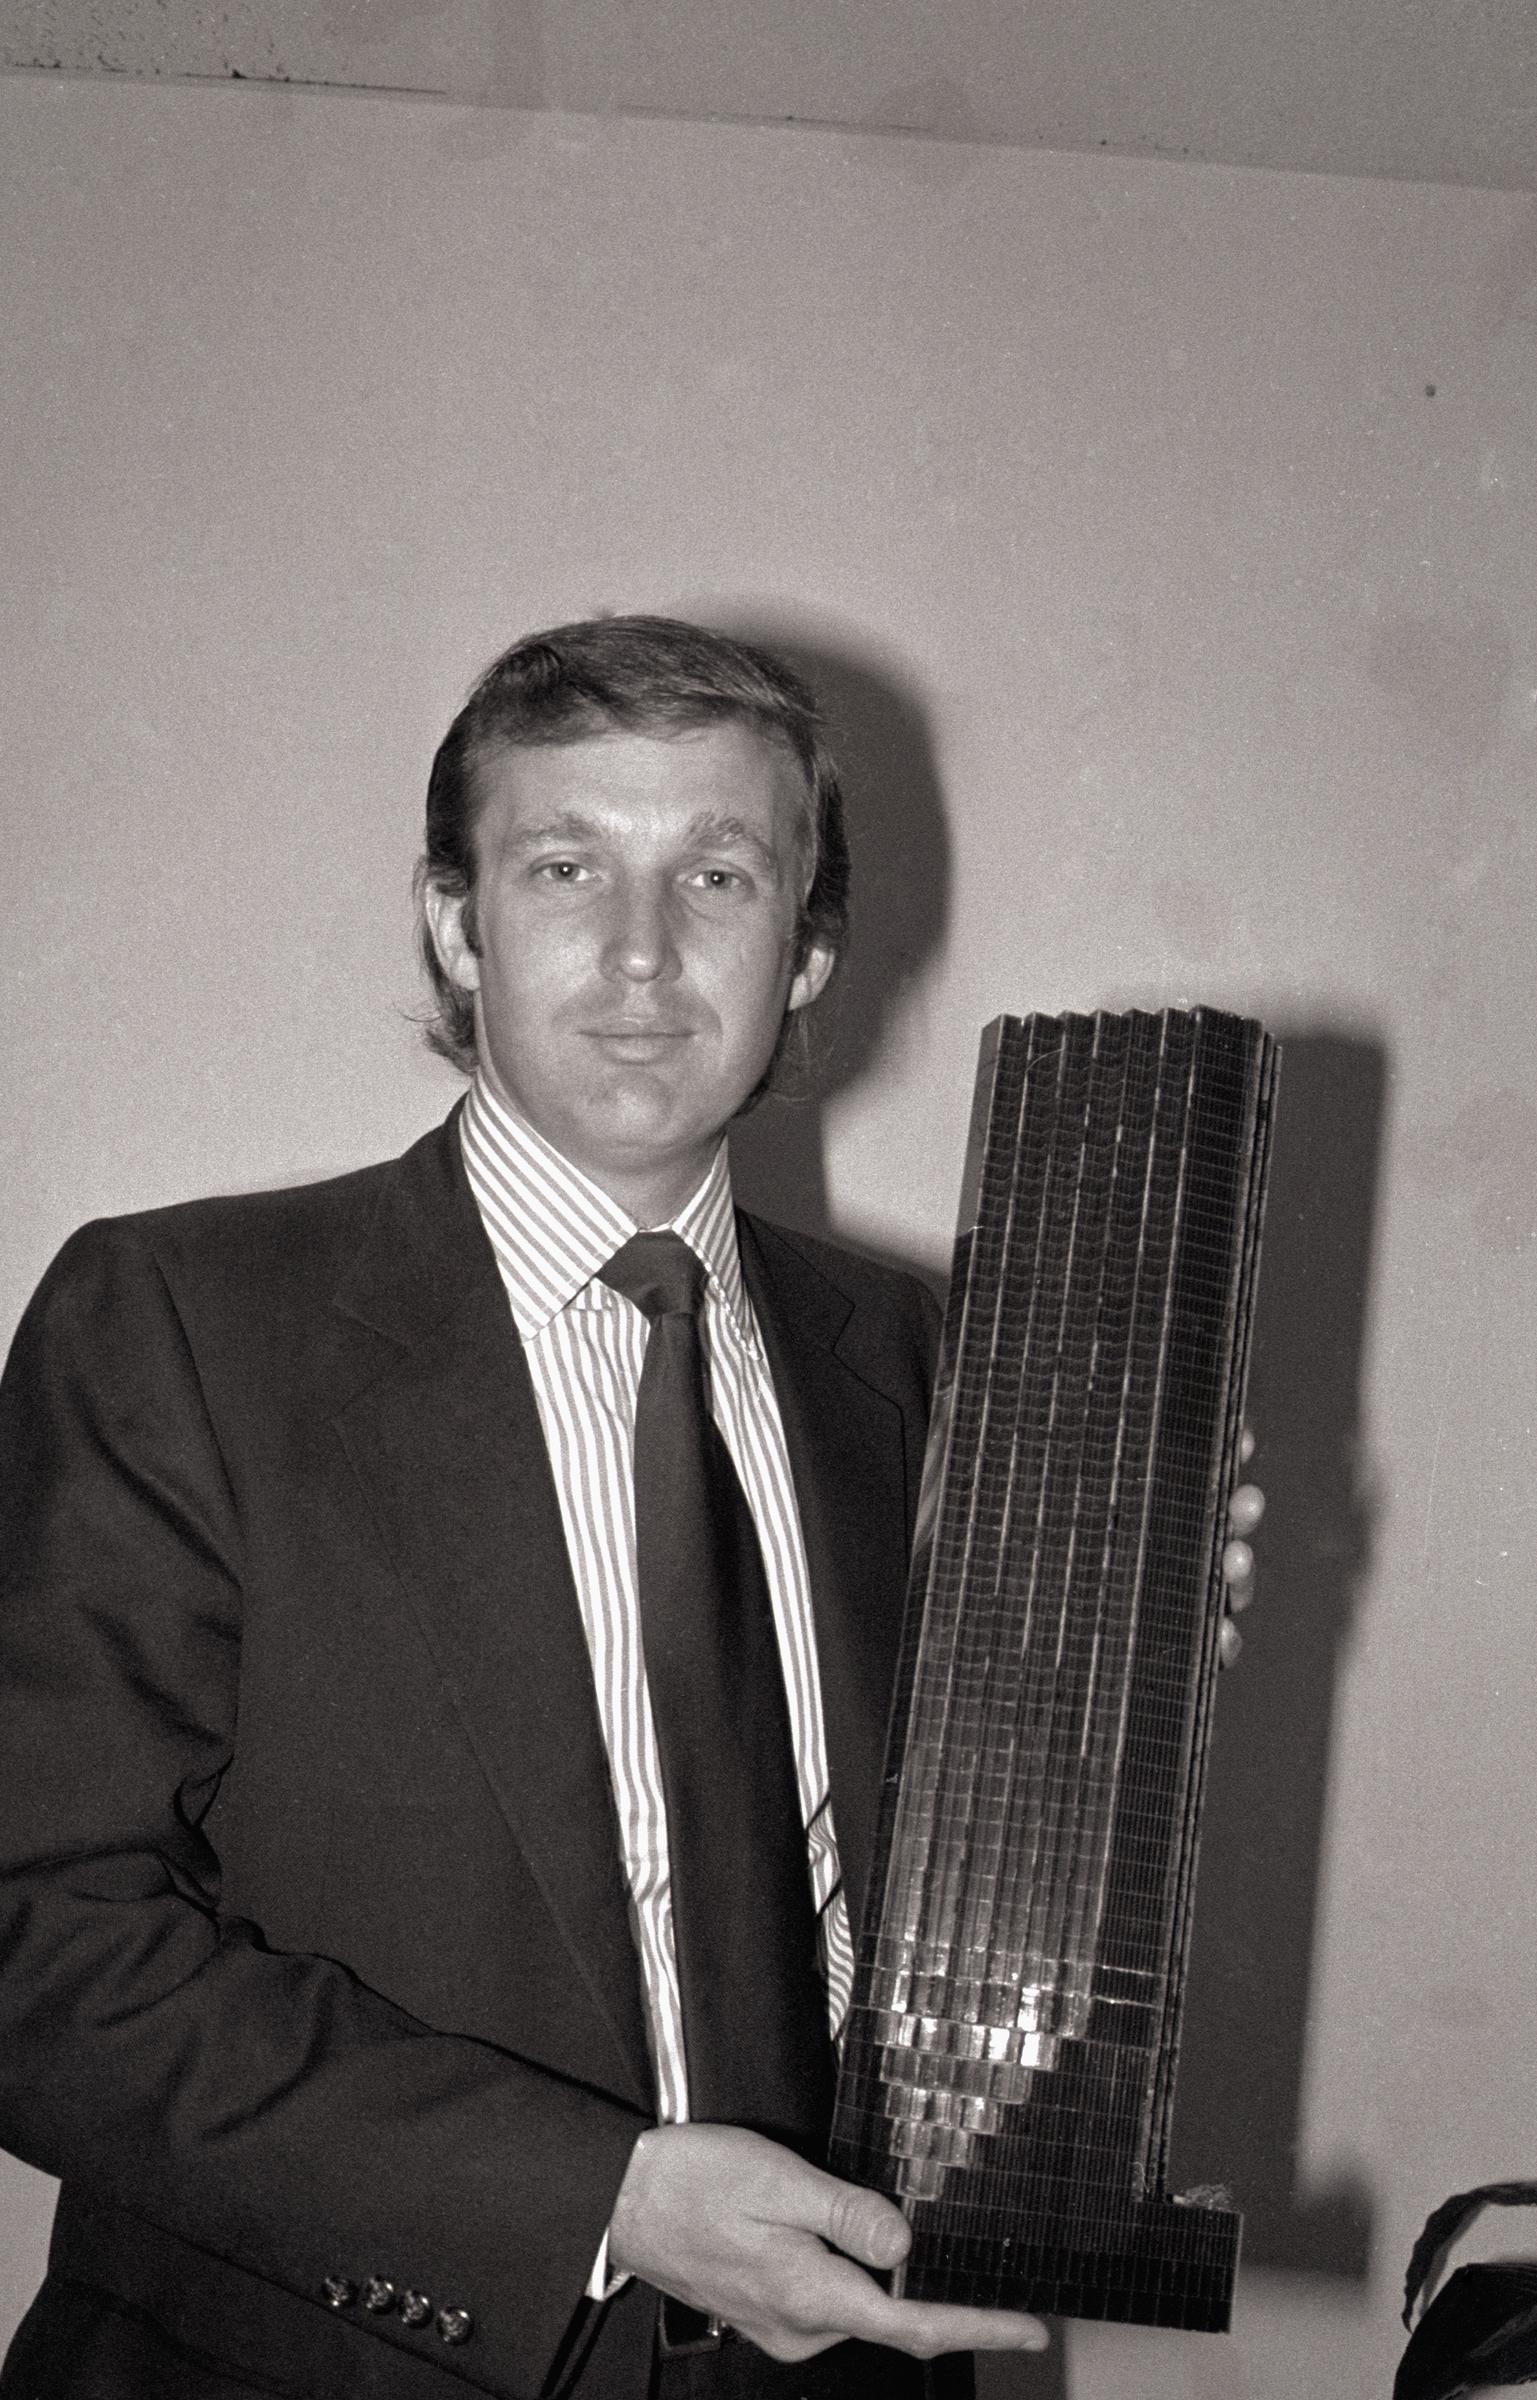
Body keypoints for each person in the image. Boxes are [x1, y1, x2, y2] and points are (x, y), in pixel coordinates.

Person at [0, 615, 1260, 2400]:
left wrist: (1117, 1681)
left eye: (721, 875)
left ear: (810, 945)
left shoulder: (936, 1358)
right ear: (458, 917)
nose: (645, 954)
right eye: (567, 864)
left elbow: (943, 1910)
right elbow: (35, 1946)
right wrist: (600, 2200)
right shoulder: (182, 1327)